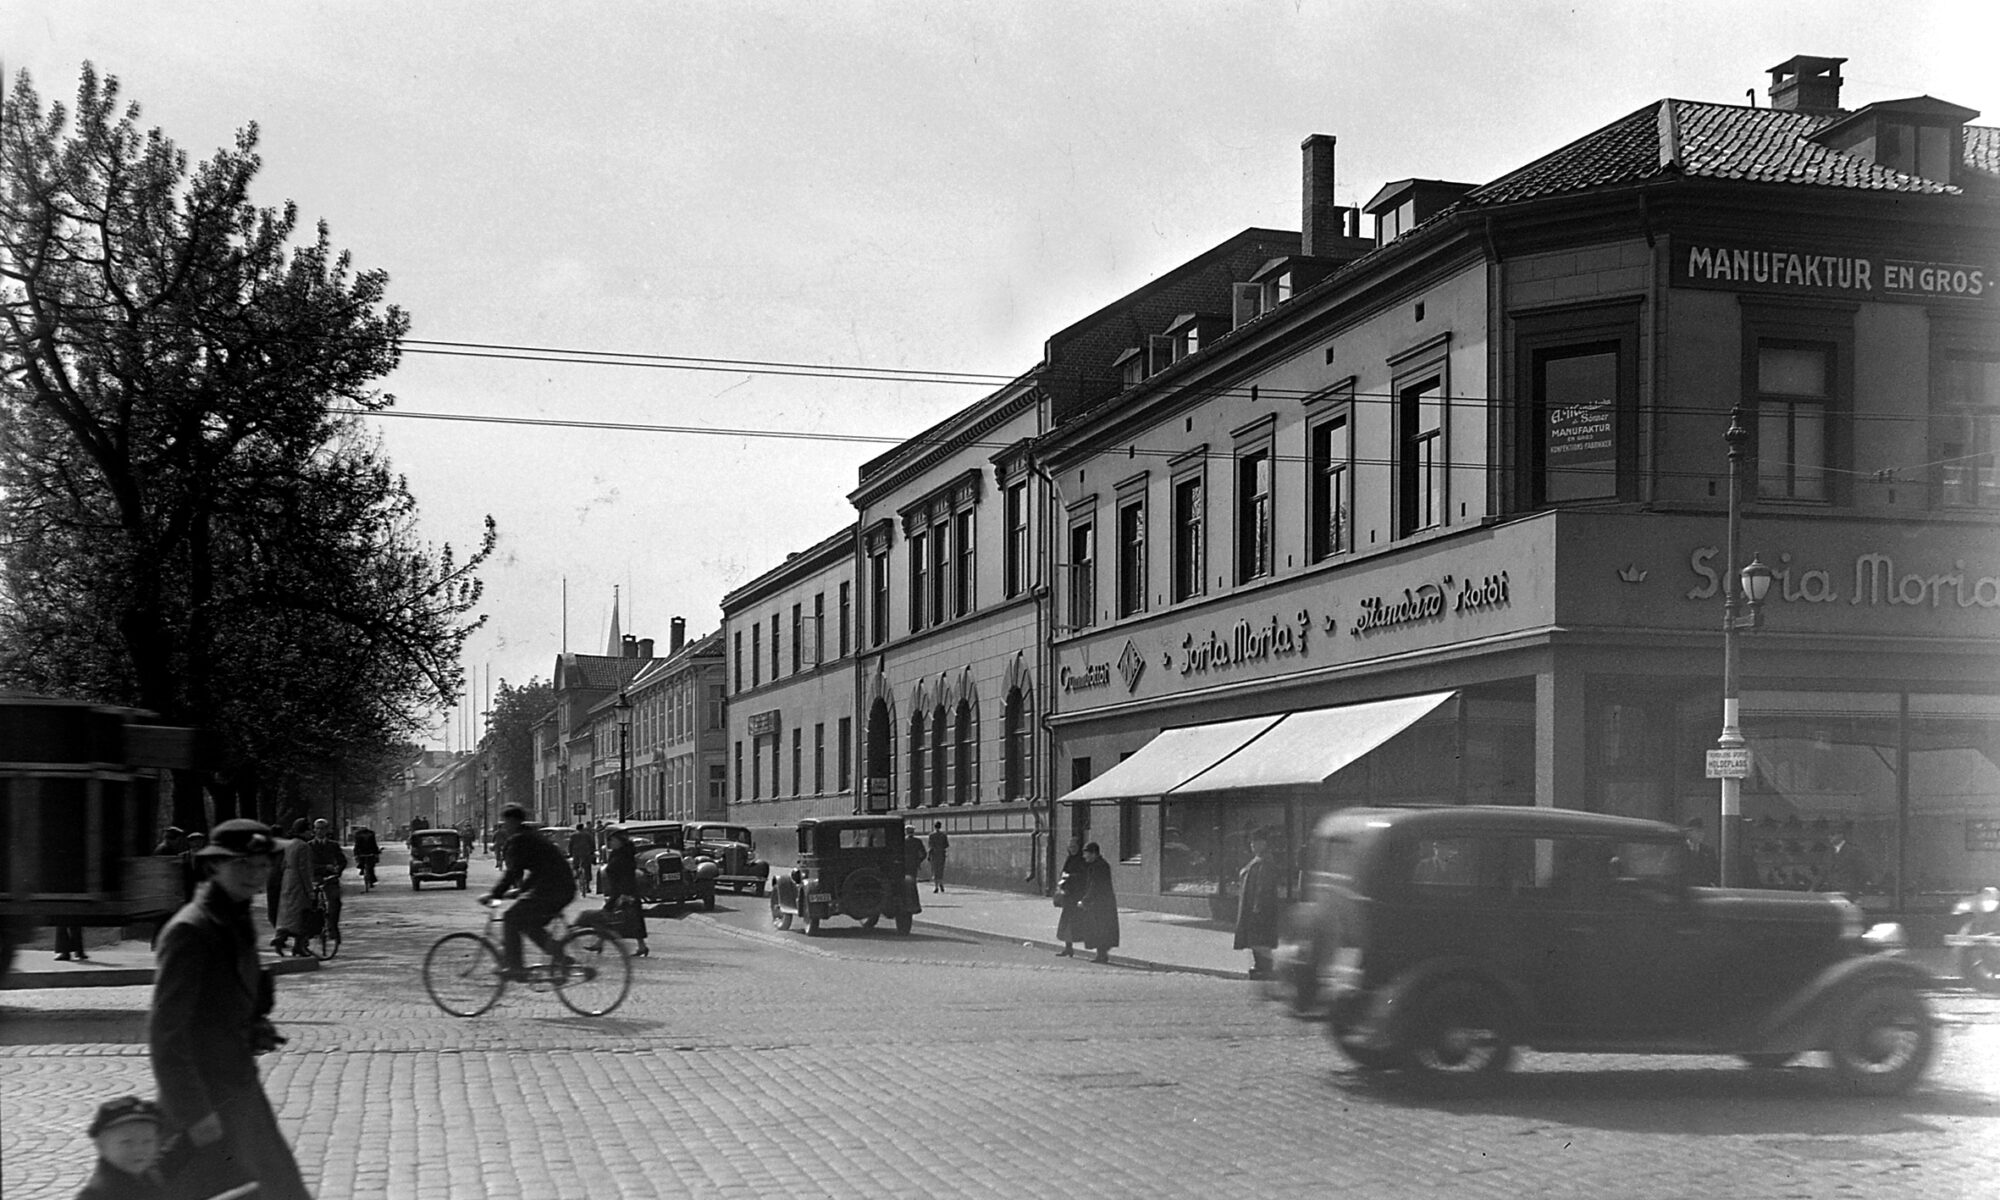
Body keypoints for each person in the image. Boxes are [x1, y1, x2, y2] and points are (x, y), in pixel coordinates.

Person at [149, 819, 310, 1200]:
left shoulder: (233, 919)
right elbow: (165, 1036)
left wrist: (253, 1024)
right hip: (204, 1104)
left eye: (262, 865)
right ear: (214, 866)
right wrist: (195, 1115)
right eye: (243, 865)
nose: (255, 874)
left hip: (237, 1090)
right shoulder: (190, 930)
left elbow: (224, 997)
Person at [484, 803, 578, 980]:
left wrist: (494, 895)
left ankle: (515, 967)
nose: (503, 826)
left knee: (511, 918)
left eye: (505, 822)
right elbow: (540, 869)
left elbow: (513, 872)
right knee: (529, 924)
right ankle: (561, 957)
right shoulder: (530, 836)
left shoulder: (520, 840)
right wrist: (521, 891)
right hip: (560, 887)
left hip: (554, 890)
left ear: (512, 821)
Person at [75, 1095, 169, 1200]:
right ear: (101, 1145)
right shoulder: (100, 1193)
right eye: (126, 1142)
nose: (138, 1149)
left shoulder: (149, 1178)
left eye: (147, 1141)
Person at [1233, 828, 1281, 979]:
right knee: (1255, 939)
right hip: (1252, 907)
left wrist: (1258, 908)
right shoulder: (1258, 861)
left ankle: (1264, 966)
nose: (1252, 845)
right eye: (1252, 842)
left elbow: (1263, 887)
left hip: (1258, 909)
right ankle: (1260, 965)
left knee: (1259, 939)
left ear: (1264, 843)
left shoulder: (1265, 862)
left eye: (1256, 842)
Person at [597, 826, 649, 957]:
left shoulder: (625, 856)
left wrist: (625, 894)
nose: (611, 843)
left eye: (613, 841)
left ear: (620, 841)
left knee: (629, 918)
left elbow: (627, 875)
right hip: (618, 891)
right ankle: (599, 942)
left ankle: (600, 942)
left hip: (625, 892)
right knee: (625, 918)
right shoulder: (617, 853)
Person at [271, 820, 313, 957]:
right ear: (304, 831)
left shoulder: (289, 844)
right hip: (298, 882)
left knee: (287, 914)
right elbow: (304, 869)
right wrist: (309, 889)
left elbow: (283, 864)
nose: (310, 833)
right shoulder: (303, 846)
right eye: (309, 830)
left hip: (287, 880)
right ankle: (299, 946)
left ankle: (280, 937)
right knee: (303, 914)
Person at [1073, 842, 1120, 964]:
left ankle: (1102, 955)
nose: (1085, 857)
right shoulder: (1098, 865)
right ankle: (1101, 954)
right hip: (1100, 903)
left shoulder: (1099, 866)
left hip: (1101, 904)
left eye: (1087, 854)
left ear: (1094, 854)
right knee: (1099, 929)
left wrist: (1085, 900)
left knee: (1100, 929)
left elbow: (1095, 886)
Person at [307, 819, 348, 944]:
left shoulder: (333, 845)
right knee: (311, 904)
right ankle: (313, 930)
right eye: (318, 828)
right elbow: (307, 865)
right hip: (315, 878)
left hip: (331, 878)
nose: (320, 831)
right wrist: (324, 867)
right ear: (314, 830)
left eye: (323, 828)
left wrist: (337, 871)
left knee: (335, 902)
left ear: (327, 830)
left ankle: (333, 928)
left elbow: (342, 861)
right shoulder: (308, 846)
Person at [1053, 836, 1087, 957]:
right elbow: (1063, 873)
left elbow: (1083, 877)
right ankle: (1068, 947)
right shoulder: (1069, 859)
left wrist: (1070, 877)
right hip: (1068, 894)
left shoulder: (1082, 860)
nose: (1072, 849)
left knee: (1077, 921)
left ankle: (1094, 947)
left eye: (1074, 847)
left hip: (1077, 894)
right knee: (1066, 921)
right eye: (1070, 847)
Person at [1684, 817, 1721, 886]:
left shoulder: (1709, 851)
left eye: (1702, 831)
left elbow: (1715, 872)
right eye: (1698, 831)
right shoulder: (1680, 850)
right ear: (1688, 832)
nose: (1701, 834)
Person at [568, 823, 597, 895]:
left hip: (576, 853)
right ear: (583, 828)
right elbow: (592, 844)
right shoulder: (588, 835)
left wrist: (570, 853)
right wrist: (592, 851)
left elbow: (570, 845)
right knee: (587, 868)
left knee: (575, 865)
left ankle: (577, 874)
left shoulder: (573, 835)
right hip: (586, 853)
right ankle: (587, 887)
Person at [926, 822, 950, 894]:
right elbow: (946, 845)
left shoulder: (931, 835)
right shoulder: (943, 835)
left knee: (934, 870)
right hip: (941, 854)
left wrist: (929, 855)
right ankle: (941, 883)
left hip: (934, 854)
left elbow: (930, 846)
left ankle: (936, 886)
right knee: (941, 869)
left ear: (934, 826)